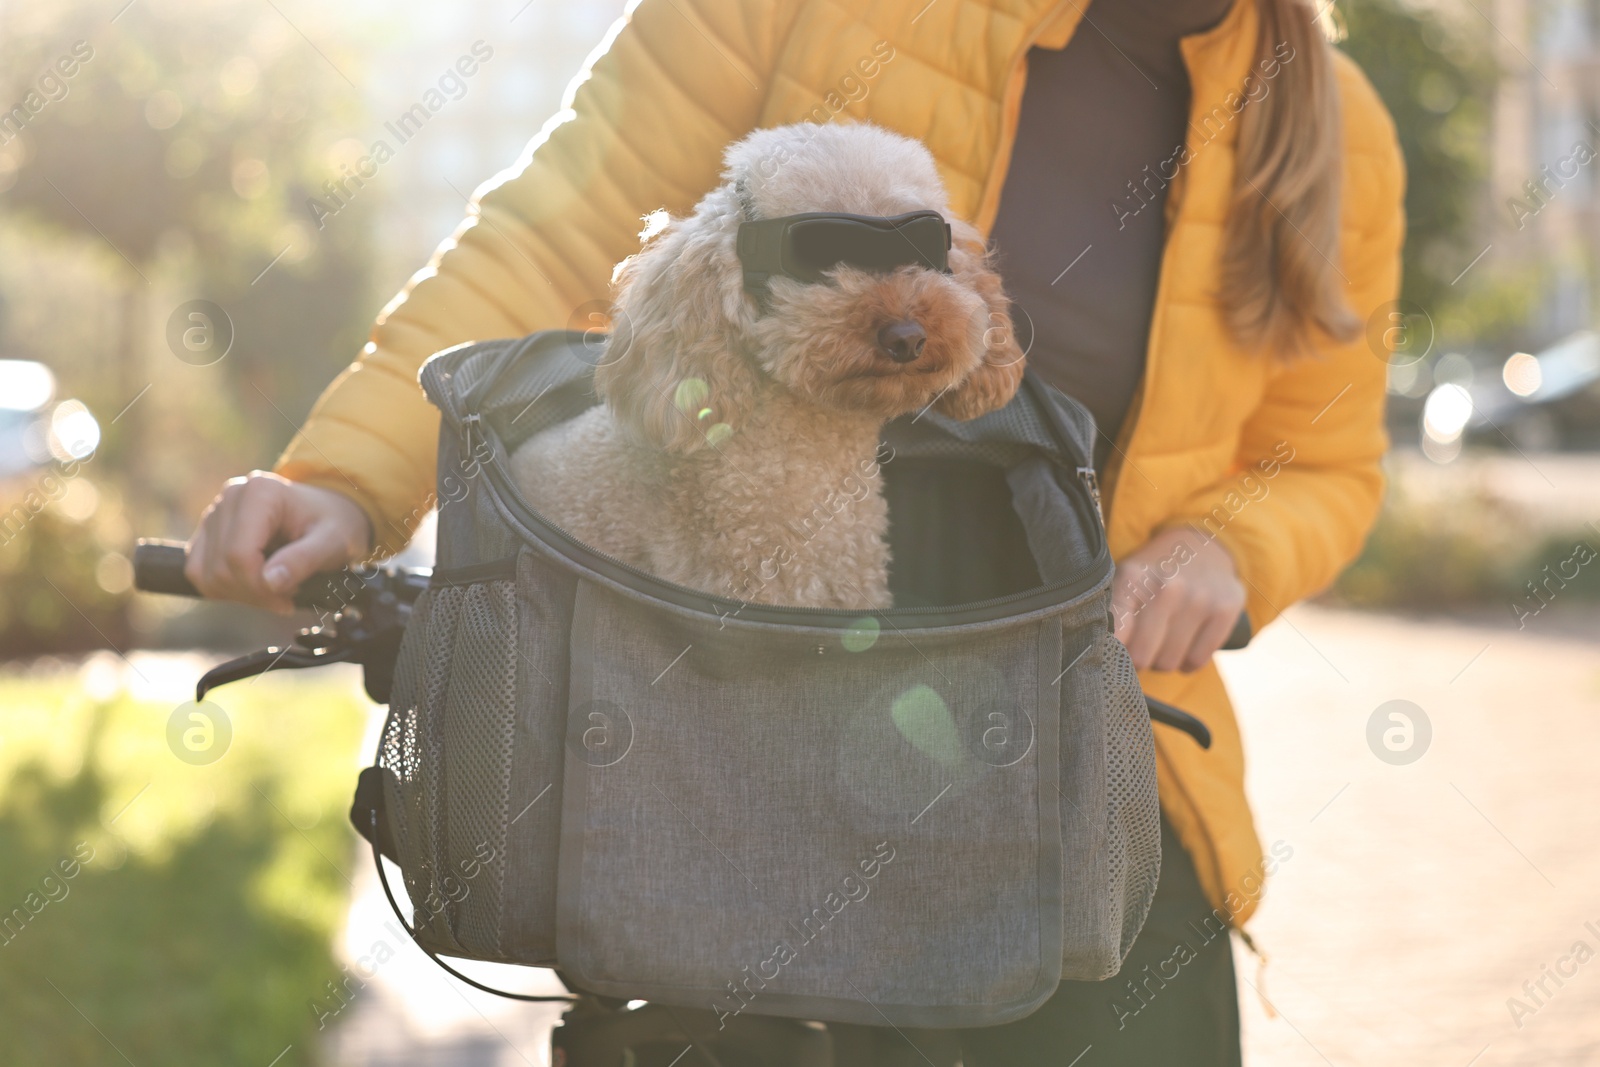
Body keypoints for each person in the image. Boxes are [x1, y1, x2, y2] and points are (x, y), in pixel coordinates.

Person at [184, 0, 1402, 1062]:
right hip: (735, 732)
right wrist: (351, 480)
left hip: (1076, 749)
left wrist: (1223, 546)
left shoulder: (1338, 129)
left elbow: (1324, 453)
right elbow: (556, 232)